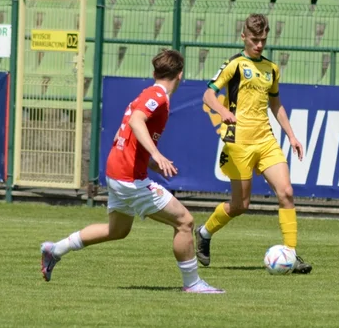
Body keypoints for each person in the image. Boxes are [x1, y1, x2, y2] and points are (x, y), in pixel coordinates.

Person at [41, 49, 223, 293]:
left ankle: (56, 250)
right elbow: (136, 122)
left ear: (153, 72)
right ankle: (192, 284)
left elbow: (122, 135)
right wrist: (157, 155)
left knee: (116, 230)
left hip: (116, 171)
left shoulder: (145, 95)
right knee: (185, 222)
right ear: (180, 76)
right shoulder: (157, 96)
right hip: (128, 178)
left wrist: (149, 160)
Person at [194, 13, 312, 274]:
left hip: (266, 141)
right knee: (240, 206)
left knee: (287, 193)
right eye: (255, 40)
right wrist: (223, 112)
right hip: (239, 143)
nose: (259, 45)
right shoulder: (234, 65)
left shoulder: (272, 69)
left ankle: (291, 255)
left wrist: (291, 135)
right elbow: (208, 94)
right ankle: (204, 232)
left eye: (263, 40)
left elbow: (275, 103)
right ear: (244, 37)